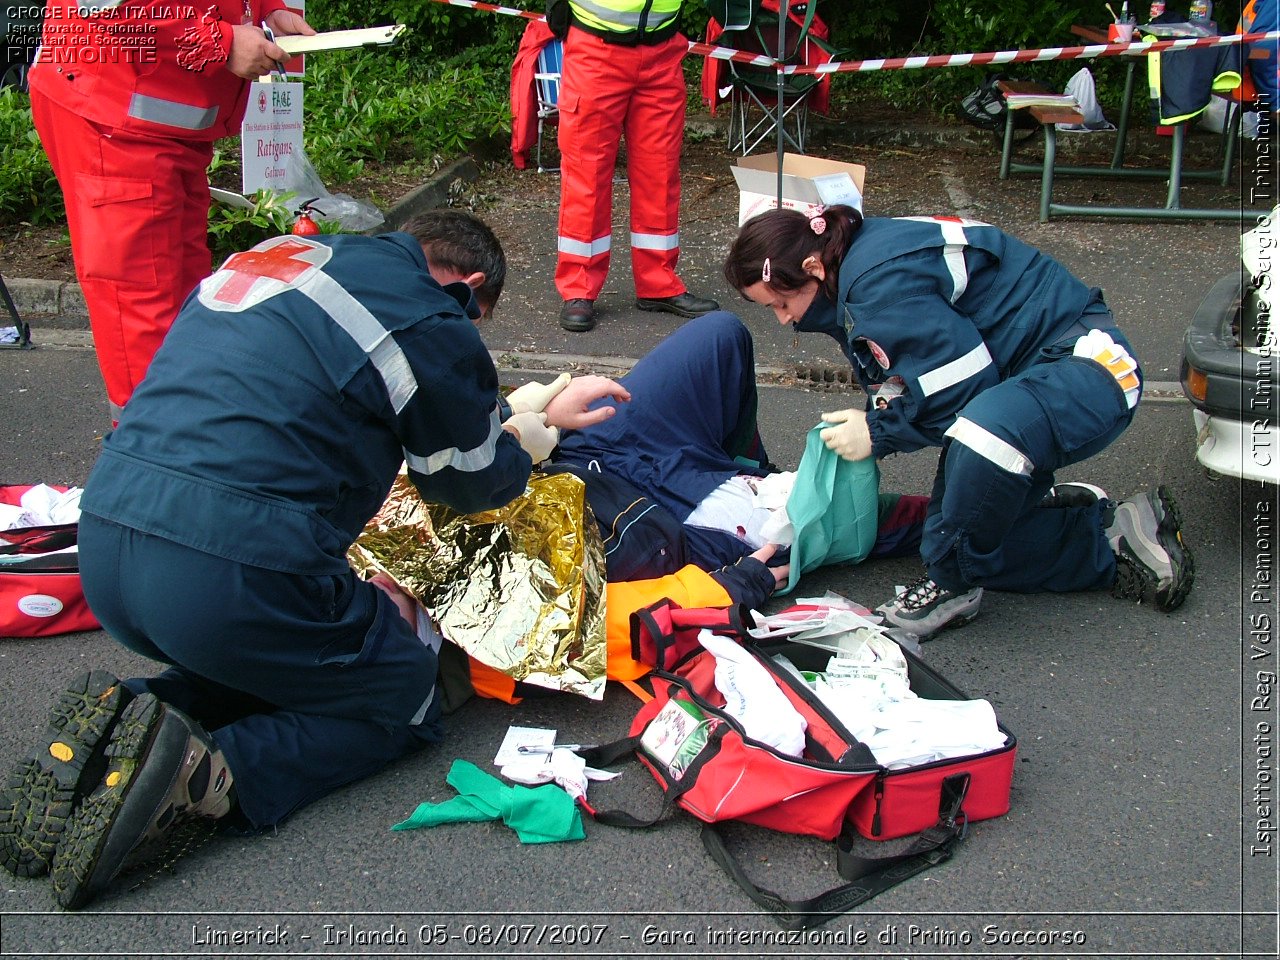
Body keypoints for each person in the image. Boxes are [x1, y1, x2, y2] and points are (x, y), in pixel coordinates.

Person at [0, 210, 628, 909]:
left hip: (111, 539)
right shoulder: (429, 318)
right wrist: (530, 428)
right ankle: (209, 776)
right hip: (231, 569)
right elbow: (473, 481)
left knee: (297, 665)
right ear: (470, 286)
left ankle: (129, 722)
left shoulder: (275, 257)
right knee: (402, 698)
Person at [723, 205, 1195, 637]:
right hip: (1034, 375)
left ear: (812, 268)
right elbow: (910, 371)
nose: (782, 320)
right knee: (960, 534)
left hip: (1090, 369)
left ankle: (953, 585)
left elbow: (960, 385)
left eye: (778, 304)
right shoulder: (853, 265)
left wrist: (876, 431)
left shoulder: (873, 281)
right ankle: (1106, 533)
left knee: (979, 452)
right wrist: (878, 414)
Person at [26, 1, 317, 423]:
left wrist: (264, 11)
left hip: (154, 117)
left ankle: (176, 444)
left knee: (182, 299)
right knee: (143, 304)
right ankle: (153, 456)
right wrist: (220, 41)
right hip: (116, 117)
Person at [551, 0, 720, 333]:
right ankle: (578, 287)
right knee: (587, 175)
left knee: (660, 173)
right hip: (596, 46)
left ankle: (658, 282)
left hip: (663, 50)